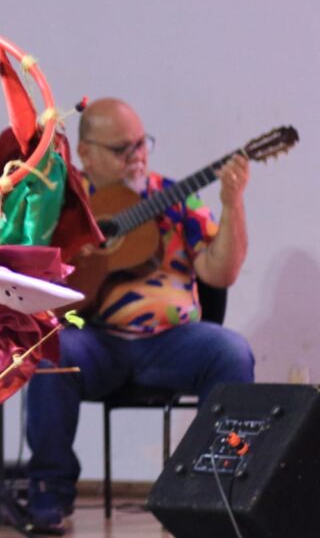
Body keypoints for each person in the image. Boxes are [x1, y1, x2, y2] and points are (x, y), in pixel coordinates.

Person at [23, 97, 255, 534]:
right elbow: (32, 270)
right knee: (51, 353)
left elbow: (220, 272)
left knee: (231, 352)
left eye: (140, 144)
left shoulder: (174, 196)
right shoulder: (65, 204)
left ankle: (215, 494)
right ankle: (48, 494)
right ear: (86, 153)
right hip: (95, 341)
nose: (137, 157)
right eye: (121, 149)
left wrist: (232, 205)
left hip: (172, 342)